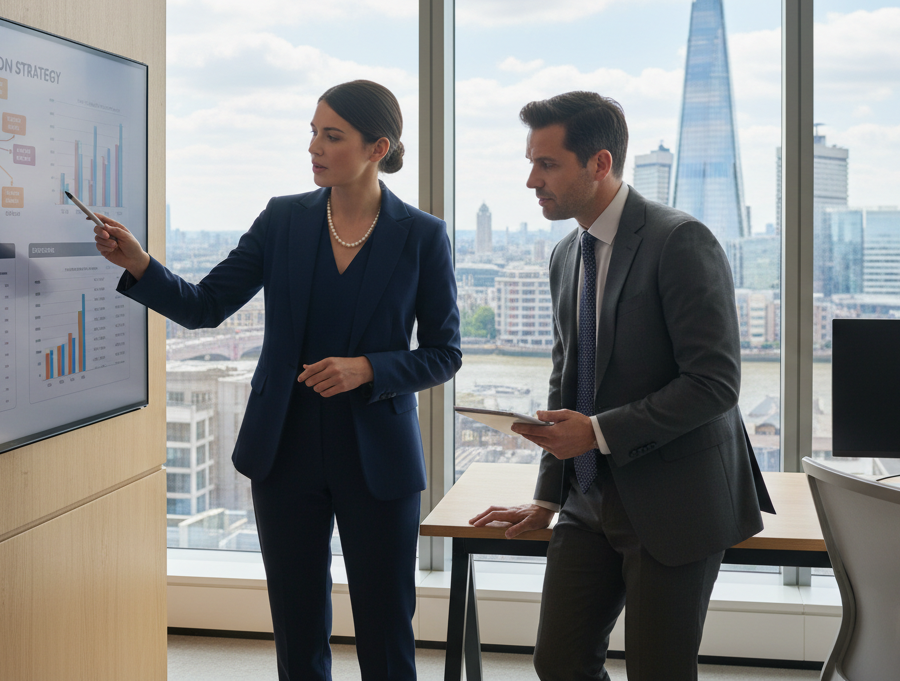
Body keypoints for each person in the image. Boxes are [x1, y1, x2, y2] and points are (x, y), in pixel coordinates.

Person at [92, 80, 461, 681]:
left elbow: (445, 353)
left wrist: (369, 368)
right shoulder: (283, 219)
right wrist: (139, 264)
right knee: (296, 628)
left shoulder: (421, 235)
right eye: (312, 132)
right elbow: (205, 304)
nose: (314, 146)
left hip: (377, 459)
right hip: (283, 449)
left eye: (331, 135)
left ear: (377, 147)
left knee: (386, 626)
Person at [469, 91, 774, 681]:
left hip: (674, 499)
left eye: (547, 164)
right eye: (531, 163)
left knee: (659, 671)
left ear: (600, 163)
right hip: (587, 501)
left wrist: (600, 433)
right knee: (558, 663)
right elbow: (567, 380)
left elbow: (715, 383)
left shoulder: (679, 240)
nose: (532, 179)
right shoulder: (564, 255)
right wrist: (549, 496)